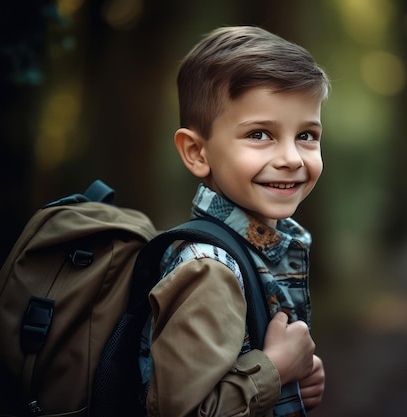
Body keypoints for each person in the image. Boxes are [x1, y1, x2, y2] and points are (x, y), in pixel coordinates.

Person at [145, 25, 330, 416]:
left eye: (307, 135)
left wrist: (295, 379)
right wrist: (276, 370)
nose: (292, 159)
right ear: (197, 152)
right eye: (260, 134)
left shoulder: (261, 249)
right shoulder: (208, 269)